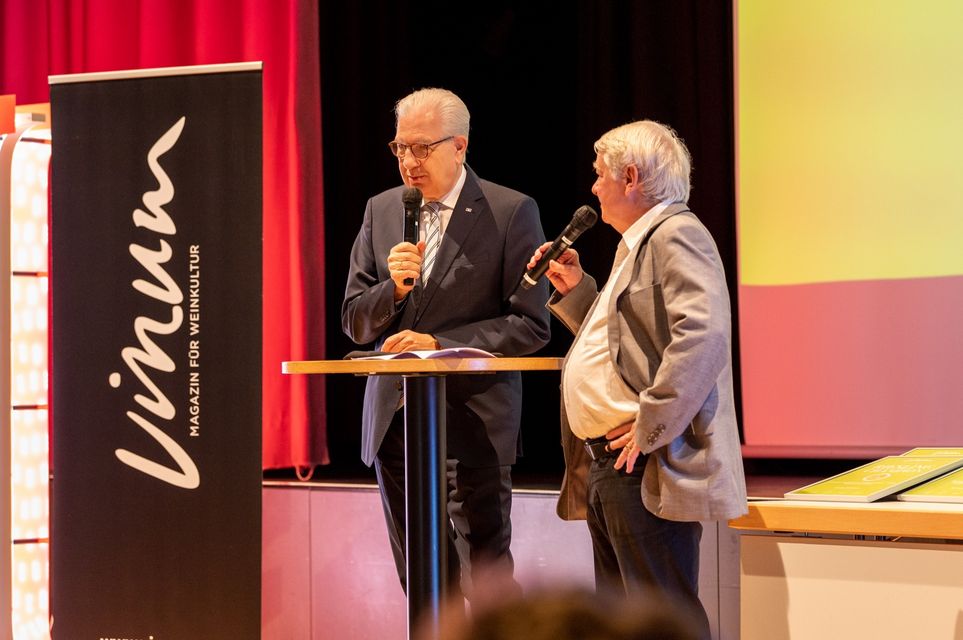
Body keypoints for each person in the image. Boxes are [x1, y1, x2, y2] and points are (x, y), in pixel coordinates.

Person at [528, 120, 747, 639]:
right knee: (623, 625)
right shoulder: (636, 244)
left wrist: (652, 422)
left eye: (599, 174)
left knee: (660, 623)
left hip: (644, 464)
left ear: (630, 177)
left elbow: (704, 334)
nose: (593, 187)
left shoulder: (676, 233)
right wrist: (577, 289)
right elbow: (623, 344)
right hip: (610, 464)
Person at [342, 88, 551, 600]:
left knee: (486, 585)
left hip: (473, 424)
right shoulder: (381, 209)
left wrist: (439, 343)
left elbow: (530, 325)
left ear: (459, 146)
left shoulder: (509, 211)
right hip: (396, 425)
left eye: (421, 148)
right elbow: (354, 322)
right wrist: (393, 291)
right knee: (422, 581)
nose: (408, 162)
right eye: (399, 148)